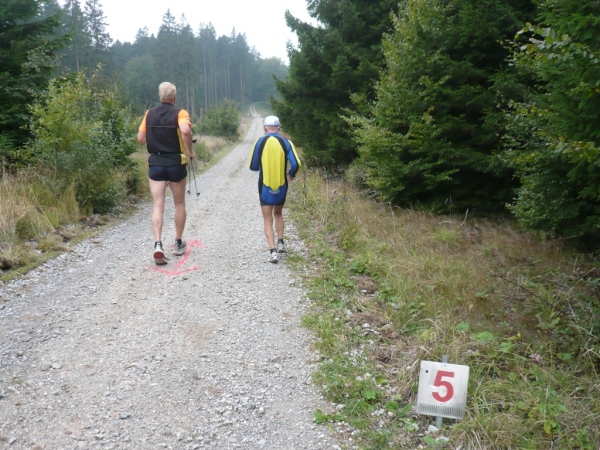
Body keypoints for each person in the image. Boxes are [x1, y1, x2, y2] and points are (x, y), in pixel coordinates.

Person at [137, 82, 196, 265]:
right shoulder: (180, 113)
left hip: (156, 163)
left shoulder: (149, 114)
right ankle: (178, 242)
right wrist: (190, 150)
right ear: (174, 97)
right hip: (175, 162)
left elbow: (140, 138)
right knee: (179, 203)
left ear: (160, 96)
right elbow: (185, 130)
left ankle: (158, 244)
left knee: (157, 206)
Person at [249, 115, 301, 263]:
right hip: (282, 185)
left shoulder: (260, 142)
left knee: (267, 219)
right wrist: (291, 174)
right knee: (278, 213)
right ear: (279, 127)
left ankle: (273, 252)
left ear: (265, 127)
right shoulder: (286, 142)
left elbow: (253, 166)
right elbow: (296, 163)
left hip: (265, 186)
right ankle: (281, 242)